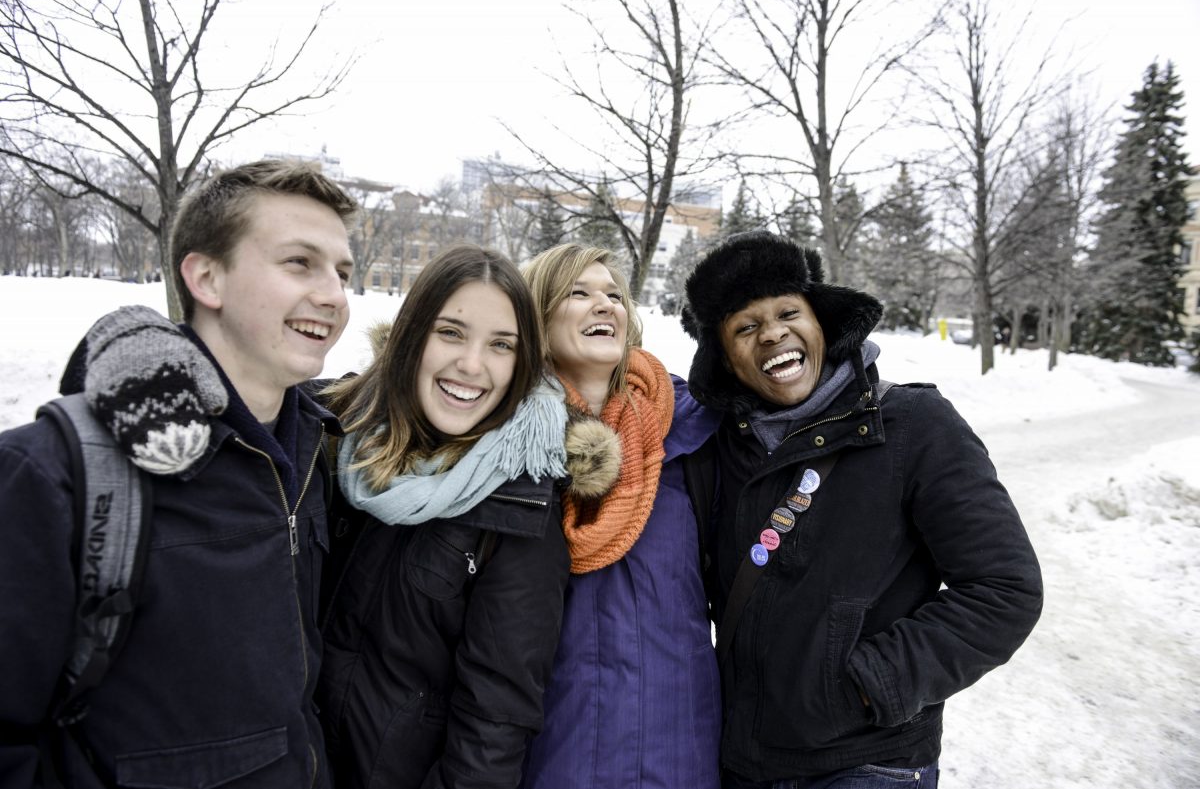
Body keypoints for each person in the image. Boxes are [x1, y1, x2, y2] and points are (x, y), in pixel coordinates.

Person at [0, 160, 358, 787]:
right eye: (299, 263)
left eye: (343, 272)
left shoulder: (318, 453)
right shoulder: (55, 471)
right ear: (206, 277)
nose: (333, 294)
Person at [680, 230, 1044, 788]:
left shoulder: (914, 424)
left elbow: (1004, 590)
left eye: (787, 312)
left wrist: (871, 683)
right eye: (746, 327)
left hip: (869, 763)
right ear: (726, 358)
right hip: (742, 760)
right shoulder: (721, 446)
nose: (772, 332)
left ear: (820, 322)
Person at [315, 245, 574, 789]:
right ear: (411, 334)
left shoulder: (518, 499)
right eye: (451, 332)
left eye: (501, 345)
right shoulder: (332, 429)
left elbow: (495, 723)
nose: (472, 365)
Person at [518, 244, 722, 789]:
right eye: (578, 293)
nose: (604, 305)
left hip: (678, 748)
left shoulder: (692, 432)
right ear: (537, 315)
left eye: (614, 295)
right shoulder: (502, 443)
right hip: (552, 750)